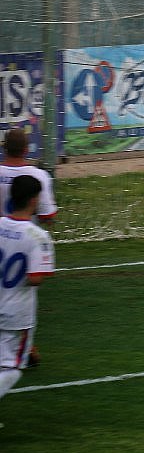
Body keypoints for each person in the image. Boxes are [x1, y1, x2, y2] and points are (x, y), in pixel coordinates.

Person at [0, 127, 57, 369]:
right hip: (25, 241)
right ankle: (23, 346)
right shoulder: (39, 177)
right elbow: (48, 215)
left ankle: (21, 345)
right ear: (27, 148)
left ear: (4, 148)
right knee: (22, 294)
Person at [0, 175, 56, 423]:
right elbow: (35, 278)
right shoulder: (37, 236)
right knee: (12, 368)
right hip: (16, 314)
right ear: (35, 200)